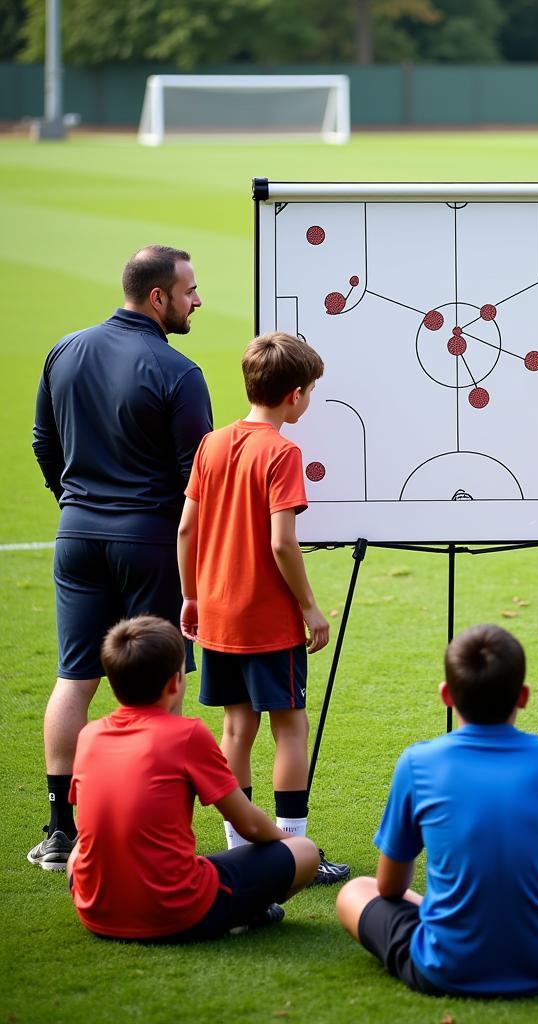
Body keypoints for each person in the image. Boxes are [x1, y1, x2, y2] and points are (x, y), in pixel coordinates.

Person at [29, 245, 212, 871]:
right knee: (164, 681)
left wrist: (73, 501)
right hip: (152, 542)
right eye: (190, 291)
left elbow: (43, 444)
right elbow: (197, 478)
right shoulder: (179, 372)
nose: (198, 301)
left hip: (76, 536)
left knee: (73, 679)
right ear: (158, 297)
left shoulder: (64, 350)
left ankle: (61, 831)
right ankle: (156, 825)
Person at [336, 624, 538, 997]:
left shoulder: (418, 763)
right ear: (523, 696)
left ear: (446, 695)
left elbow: (390, 887)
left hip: (447, 967)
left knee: (355, 891)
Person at [177, 331, 347, 886]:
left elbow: (186, 529)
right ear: (295, 394)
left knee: (235, 728)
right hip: (268, 619)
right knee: (291, 728)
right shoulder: (283, 452)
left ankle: (239, 846)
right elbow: (281, 542)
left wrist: (192, 596)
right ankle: (296, 851)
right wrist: (311, 607)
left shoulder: (212, 443)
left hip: (218, 615)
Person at [68, 616, 320, 942]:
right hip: (177, 913)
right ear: (175, 682)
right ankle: (245, 912)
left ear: (113, 683)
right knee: (306, 853)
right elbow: (250, 826)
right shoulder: (186, 735)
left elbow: (87, 831)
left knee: (79, 852)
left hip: (94, 911)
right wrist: (290, 844)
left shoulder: (89, 735)